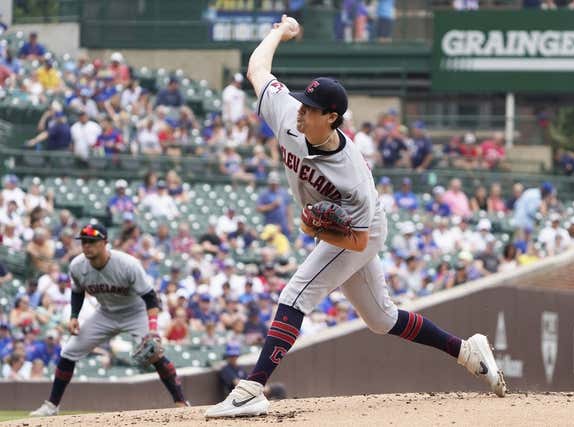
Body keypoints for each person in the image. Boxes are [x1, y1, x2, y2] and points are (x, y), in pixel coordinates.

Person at [204, 15, 506, 419]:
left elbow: (360, 242)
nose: (300, 112)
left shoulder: (352, 174)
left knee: (295, 294)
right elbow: (257, 69)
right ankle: (467, 352)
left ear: (331, 117)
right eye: (303, 103)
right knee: (382, 319)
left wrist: (312, 227)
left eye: (310, 109)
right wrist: (280, 31)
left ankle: (252, 388)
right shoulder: (287, 113)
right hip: (338, 229)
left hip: (362, 231)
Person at [30, 223, 188, 417]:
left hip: (135, 311)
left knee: (153, 353)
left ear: (105, 243)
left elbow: (150, 297)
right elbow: (77, 292)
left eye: (92, 242)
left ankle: (181, 402)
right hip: (106, 313)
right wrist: (73, 317)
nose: (87, 246)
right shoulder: (77, 265)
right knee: (69, 351)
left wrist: (153, 329)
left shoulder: (127, 264)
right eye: (84, 242)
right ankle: (51, 406)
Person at [256, 171, 293, 237]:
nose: (274, 185)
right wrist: (272, 205)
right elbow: (259, 208)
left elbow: (289, 209)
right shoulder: (264, 194)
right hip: (270, 226)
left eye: (275, 183)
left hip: (283, 226)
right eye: (272, 183)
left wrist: (290, 224)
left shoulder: (283, 193)